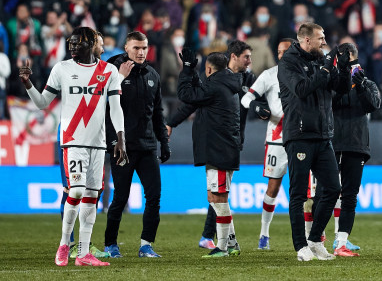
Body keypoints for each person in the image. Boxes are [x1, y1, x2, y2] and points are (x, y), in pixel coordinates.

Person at [20, 27, 127, 267]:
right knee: (76, 191)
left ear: (90, 44)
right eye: (70, 44)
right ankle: (63, 244)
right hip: (72, 140)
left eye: (77, 43)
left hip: (97, 144)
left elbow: (116, 107)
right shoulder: (62, 68)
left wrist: (121, 138)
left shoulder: (109, 71)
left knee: (92, 197)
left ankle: (83, 253)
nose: (72, 47)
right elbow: (42, 103)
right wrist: (28, 84)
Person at [167, 40, 253, 253]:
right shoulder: (225, 83)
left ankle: (222, 246)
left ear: (208, 69)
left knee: (218, 197)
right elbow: (196, 95)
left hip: (220, 149)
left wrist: (187, 69)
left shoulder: (216, 85)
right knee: (215, 197)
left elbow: (186, 96)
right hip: (223, 147)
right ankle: (231, 243)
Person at [277, 22, 351, 261]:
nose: (324, 41)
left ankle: (315, 239)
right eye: (320, 38)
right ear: (306, 40)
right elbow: (301, 89)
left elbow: (340, 89)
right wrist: (326, 70)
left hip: (323, 135)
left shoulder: (320, 60)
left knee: (333, 188)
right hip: (299, 135)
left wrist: (343, 67)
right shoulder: (288, 63)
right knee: (298, 194)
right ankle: (300, 246)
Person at [103, 31, 169, 259]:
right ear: (126, 48)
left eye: (144, 48)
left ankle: (146, 245)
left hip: (148, 146)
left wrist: (164, 142)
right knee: (120, 197)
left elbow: (157, 113)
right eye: (136, 48)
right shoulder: (112, 71)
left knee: (154, 197)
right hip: (123, 146)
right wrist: (113, 141)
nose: (141, 52)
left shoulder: (153, 75)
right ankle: (110, 244)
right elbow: (104, 107)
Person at [240, 38, 294, 250]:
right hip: (277, 138)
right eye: (279, 52)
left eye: (286, 52)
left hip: (302, 138)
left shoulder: (306, 74)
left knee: (306, 191)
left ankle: (310, 237)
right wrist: (256, 107)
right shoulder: (269, 75)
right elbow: (246, 99)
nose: (281, 55)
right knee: (273, 187)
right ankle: (264, 234)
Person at [328, 42, 381, 256]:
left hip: (355, 145)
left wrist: (359, 86)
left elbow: (373, 106)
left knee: (349, 195)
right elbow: (328, 104)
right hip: (330, 144)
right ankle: (316, 239)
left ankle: (341, 241)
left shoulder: (367, 83)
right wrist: (342, 82)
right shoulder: (331, 83)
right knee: (325, 193)